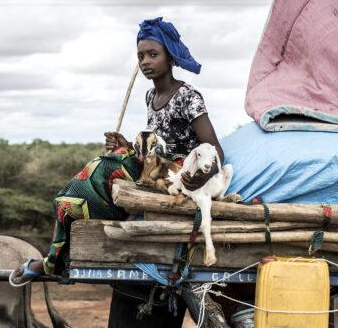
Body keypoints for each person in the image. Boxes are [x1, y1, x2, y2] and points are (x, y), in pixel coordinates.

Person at [12, 18, 225, 281]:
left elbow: (214, 148)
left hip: (177, 172)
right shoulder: (151, 96)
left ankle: (54, 260)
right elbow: (153, 144)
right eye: (141, 56)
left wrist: (202, 175)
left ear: (170, 57)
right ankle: (64, 231)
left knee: (103, 167)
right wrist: (126, 145)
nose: (145, 61)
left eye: (153, 54)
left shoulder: (188, 96)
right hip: (152, 165)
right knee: (101, 167)